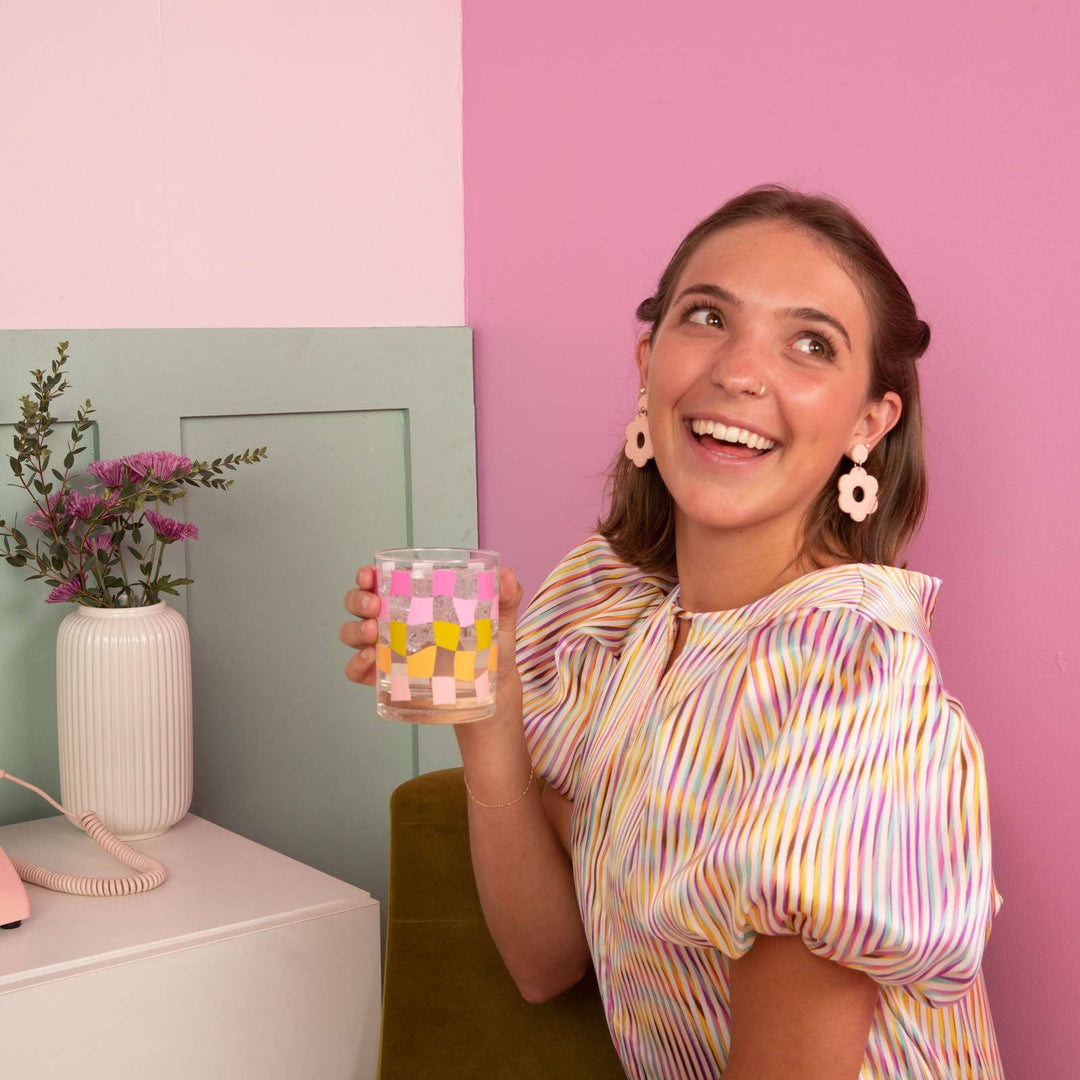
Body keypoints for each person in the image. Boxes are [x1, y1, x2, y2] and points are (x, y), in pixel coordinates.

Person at [341, 185, 1002, 1079]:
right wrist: (488, 707)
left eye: (811, 343)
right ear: (648, 361)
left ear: (868, 422)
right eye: (707, 317)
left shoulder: (853, 683)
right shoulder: (618, 615)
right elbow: (545, 966)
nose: (739, 371)